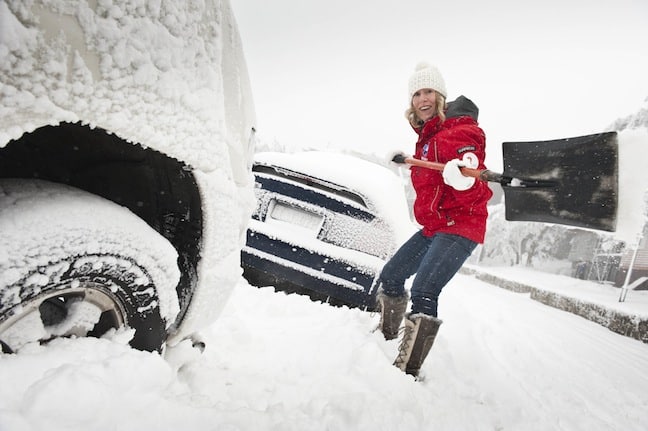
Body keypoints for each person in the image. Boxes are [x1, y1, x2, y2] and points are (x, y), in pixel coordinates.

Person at [376, 62, 493, 378]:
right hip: (435, 226)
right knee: (391, 275)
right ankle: (386, 338)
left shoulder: (462, 131)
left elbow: (473, 179)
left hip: (462, 224)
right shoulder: (428, 136)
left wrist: (463, 181)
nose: (421, 99)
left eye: (428, 91)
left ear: (440, 95)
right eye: (416, 93)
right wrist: (408, 160)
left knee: (425, 288)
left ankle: (407, 369)